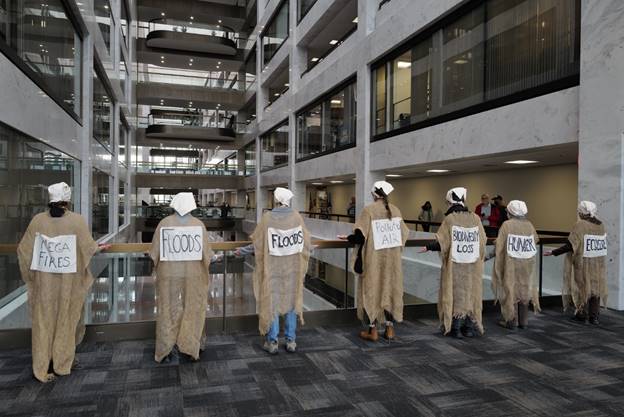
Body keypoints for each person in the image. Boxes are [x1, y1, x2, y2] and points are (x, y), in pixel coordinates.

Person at [17, 182, 106, 382]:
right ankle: (62, 363)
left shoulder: (37, 221)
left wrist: (32, 278)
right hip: (69, 285)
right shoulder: (76, 221)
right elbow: (88, 247)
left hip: (44, 286)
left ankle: (41, 365)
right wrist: (99, 248)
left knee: (43, 322)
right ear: (67, 200)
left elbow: (24, 251)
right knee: (67, 320)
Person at [239, 187, 311, 354]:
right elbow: (305, 242)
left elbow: (258, 244)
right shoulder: (296, 217)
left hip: (272, 269)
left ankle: (273, 342)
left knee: (272, 303)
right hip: (292, 269)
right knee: (292, 302)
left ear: (275, 200)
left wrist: (241, 251)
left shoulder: (267, 218)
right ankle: (291, 340)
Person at [338, 181, 409, 341]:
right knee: (389, 291)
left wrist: (348, 237)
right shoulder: (395, 210)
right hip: (392, 263)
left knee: (372, 291)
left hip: (373, 261)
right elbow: (404, 233)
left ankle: (373, 331)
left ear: (374, 194)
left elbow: (360, 235)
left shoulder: (369, 210)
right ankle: (390, 330)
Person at [149, 192, 214, 362]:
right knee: (193, 307)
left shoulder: (164, 223)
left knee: (167, 308)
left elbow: (154, 252)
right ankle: (192, 346)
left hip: (169, 275)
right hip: (194, 276)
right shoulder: (198, 225)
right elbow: (206, 254)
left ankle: (165, 348)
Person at [421, 187, 487, 339]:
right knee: (471, 294)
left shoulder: (450, 219)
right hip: (472, 265)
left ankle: (456, 329)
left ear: (450, 201)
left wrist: (428, 247)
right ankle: (469, 328)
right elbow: (482, 241)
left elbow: (442, 241)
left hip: (455, 265)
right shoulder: (475, 218)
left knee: (456, 294)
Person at [545, 201, 607, 325]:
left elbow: (571, 245)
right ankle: (594, 317)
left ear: (581, 212)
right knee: (595, 289)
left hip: (583, 263)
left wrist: (553, 252)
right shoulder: (601, 225)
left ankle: (582, 314)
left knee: (582, 288)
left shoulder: (580, 225)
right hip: (597, 263)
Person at [491, 200, 540, 330]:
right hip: (527, 264)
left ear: (511, 212)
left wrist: (486, 256)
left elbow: (499, 245)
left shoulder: (507, 225)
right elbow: (535, 240)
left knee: (510, 289)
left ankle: (511, 320)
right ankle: (523, 321)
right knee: (523, 290)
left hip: (511, 264)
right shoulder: (529, 225)